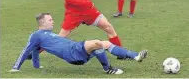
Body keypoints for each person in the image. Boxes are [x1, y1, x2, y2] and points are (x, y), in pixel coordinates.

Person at [10, 13, 148, 74]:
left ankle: (132, 58)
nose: (53, 21)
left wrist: (37, 65)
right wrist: (16, 67)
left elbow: (36, 52)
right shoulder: (36, 35)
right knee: (98, 43)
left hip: (74, 48)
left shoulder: (48, 34)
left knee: (101, 45)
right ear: (42, 22)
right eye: (50, 20)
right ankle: (111, 68)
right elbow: (28, 50)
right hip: (72, 53)